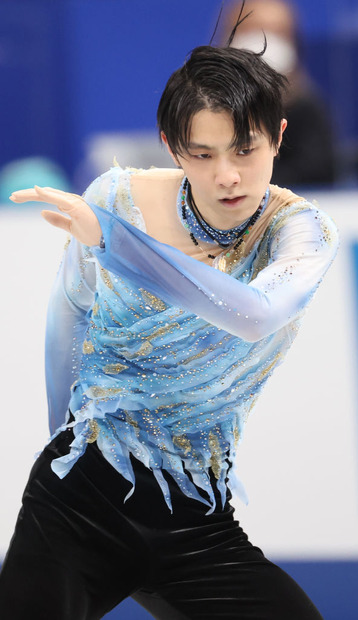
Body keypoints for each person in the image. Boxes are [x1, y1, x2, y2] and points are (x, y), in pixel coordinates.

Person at [0, 14, 338, 620]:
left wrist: (115, 242)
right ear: (170, 144)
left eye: (245, 148)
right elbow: (68, 316)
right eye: (202, 154)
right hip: (80, 501)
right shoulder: (117, 197)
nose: (227, 175)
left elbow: (255, 315)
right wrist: (64, 440)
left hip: (198, 523)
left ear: (278, 136)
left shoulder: (302, 232)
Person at [221, 0, 336, 187]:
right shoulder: (205, 108)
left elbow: (319, 173)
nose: (265, 42)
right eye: (253, 30)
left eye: (277, 32)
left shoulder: (307, 109)